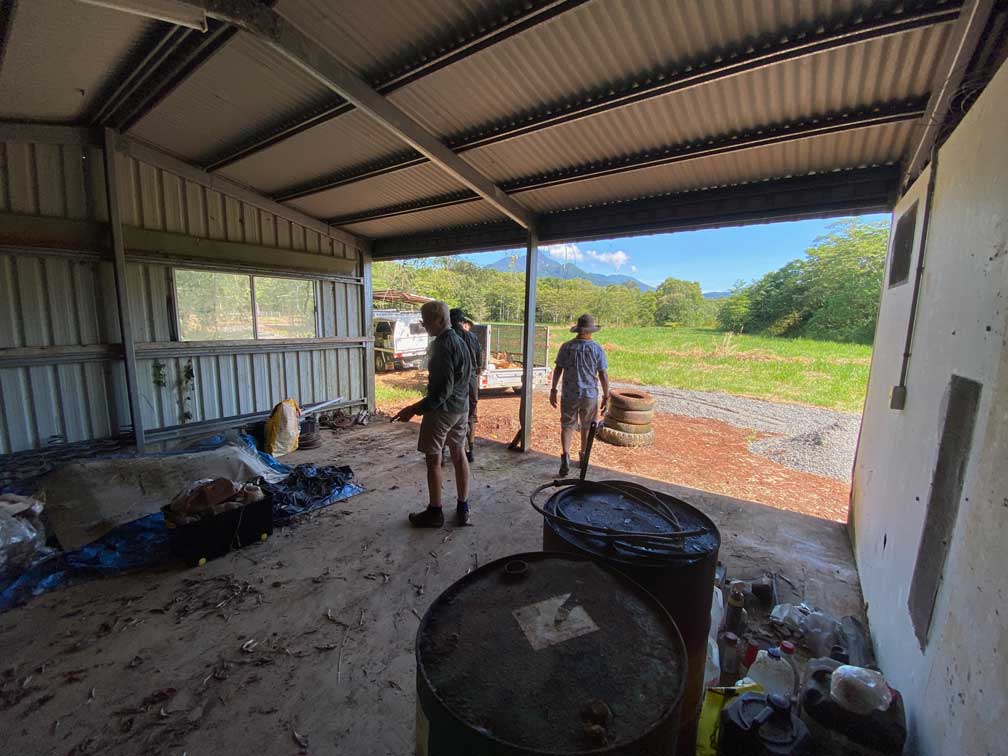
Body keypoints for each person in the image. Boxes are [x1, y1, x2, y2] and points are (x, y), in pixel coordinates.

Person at [392, 301, 472, 527]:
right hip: (461, 409)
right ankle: (463, 506)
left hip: (442, 412)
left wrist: (414, 409)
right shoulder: (461, 340)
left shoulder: (442, 346)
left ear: (438, 320)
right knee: (458, 454)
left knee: (433, 459)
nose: (424, 325)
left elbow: (441, 392)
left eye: (425, 321)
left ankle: (435, 511)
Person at [550, 313, 609, 477]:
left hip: (569, 394)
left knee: (567, 425)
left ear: (578, 329)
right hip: (589, 394)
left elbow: (558, 369)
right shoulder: (596, 349)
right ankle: (583, 456)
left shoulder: (566, 347)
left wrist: (553, 390)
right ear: (591, 330)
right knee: (586, 426)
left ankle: (565, 456)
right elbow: (603, 374)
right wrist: (606, 395)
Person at [450, 308, 483, 463]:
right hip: (471, 381)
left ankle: (452, 450)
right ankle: (470, 449)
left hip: (455, 384)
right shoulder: (473, 337)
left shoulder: (449, 338)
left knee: (450, 415)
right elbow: (479, 364)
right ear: (463, 321)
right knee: (471, 415)